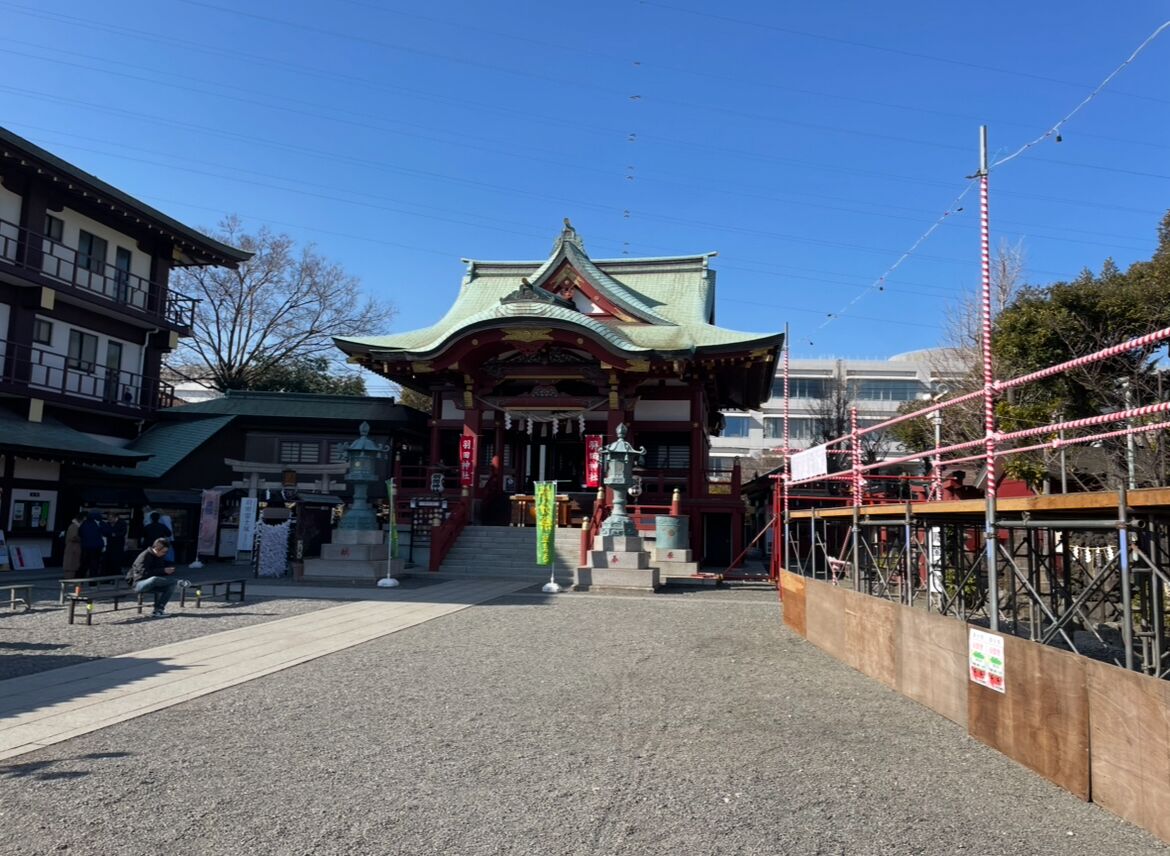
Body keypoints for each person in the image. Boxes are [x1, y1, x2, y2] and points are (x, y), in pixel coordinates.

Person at [127, 537, 178, 617]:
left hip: (152, 584)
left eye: (166, 552)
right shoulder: (145, 556)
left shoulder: (160, 556)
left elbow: (159, 571)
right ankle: (178, 582)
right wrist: (163, 570)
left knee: (171, 586)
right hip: (138, 583)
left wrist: (167, 571)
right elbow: (143, 573)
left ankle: (158, 610)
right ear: (157, 549)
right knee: (154, 579)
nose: (165, 553)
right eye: (163, 551)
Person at [78, 511, 105, 579]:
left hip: (86, 547)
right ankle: (93, 581)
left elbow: (80, 533)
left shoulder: (84, 524)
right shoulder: (99, 524)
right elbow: (106, 531)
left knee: (84, 564)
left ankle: (79, 580)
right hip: (96, 547)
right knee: (94, 565)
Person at [62, 512, 84, 577]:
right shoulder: (74, 526)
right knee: (71, 565)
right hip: (73, 549)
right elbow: (73, 537)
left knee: (71, 564)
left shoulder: (74, 526)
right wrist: (82, 539)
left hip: (72, 549)